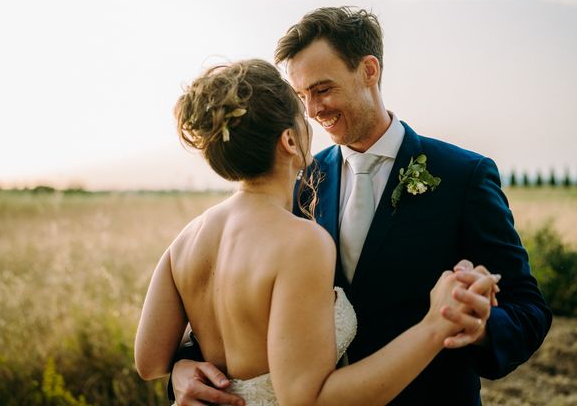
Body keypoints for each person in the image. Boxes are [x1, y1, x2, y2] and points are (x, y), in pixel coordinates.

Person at [169, 8, 552, 405]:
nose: (313, 111)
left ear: (369, 70)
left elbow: (528, 308)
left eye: (322, 89)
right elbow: (239, 300)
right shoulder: (298, 182)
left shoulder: (462, 175)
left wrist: (481, 324)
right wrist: (183, 369)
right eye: (302, 97)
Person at [135, 59, 500, 406]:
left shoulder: (185, 240)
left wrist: (181, 367)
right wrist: (436, 326)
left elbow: (150, 360)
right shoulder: (301, 241)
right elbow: (307, 399)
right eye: (301, 114)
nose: (311, 117)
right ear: (289, 141)